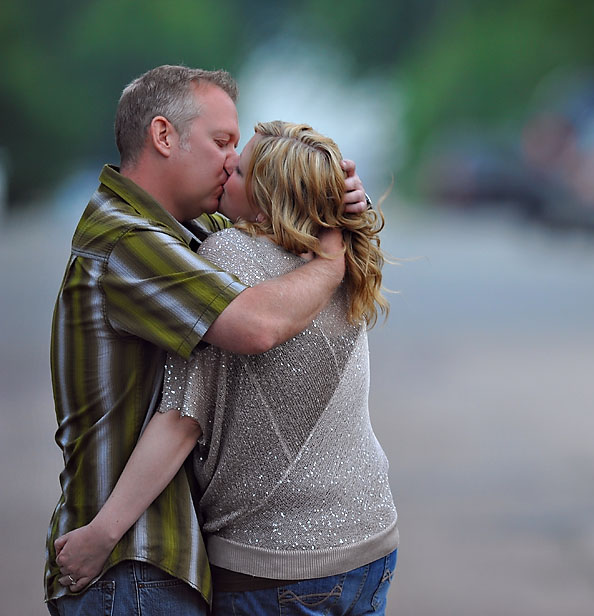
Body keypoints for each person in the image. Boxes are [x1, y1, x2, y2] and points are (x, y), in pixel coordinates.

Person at [45, 65, 372, 616]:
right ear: (164, 136)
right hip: (127, 564)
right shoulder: (127, 241)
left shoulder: (193, 234)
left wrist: (331, 197)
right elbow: (253, 325)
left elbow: (272, 226)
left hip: (156, 563)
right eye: (222, 142)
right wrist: (332, 255)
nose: (231, 160)